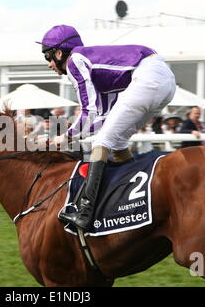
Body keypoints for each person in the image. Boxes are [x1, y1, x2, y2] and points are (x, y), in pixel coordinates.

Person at [37, 25, 176, 230]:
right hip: (164, 81)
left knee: (102, 142)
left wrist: (63, 138)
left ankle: (84, 212)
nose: (49, 64)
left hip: (150, 76)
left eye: (48, 57)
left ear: (59, 53)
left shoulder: (75, 61)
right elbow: (102, 118)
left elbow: (88, 112)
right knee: (116, 140)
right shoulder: (96, 70)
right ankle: (129, 201)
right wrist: (69, 137)